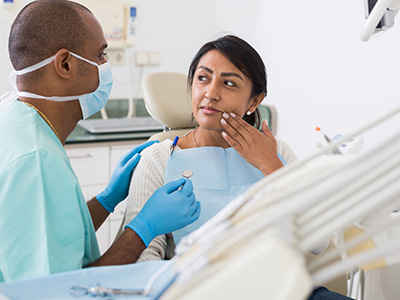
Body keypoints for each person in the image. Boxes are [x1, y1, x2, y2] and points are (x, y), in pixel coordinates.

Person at [117, 35, 355, 300]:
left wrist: (271, 166)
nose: (211, 93)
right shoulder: (159, 157)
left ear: (254, 101)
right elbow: (142, 259)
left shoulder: (278, 153)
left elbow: (319, 243)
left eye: (229, 83)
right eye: (203, 78)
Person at [0, 0, 200, 283]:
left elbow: (57, 237)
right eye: (101, 55)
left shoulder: (16, 119)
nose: (106, 67)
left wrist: (106, 200)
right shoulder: (36, 160)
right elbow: (61, 291)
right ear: (65, 64)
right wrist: (144, 229)